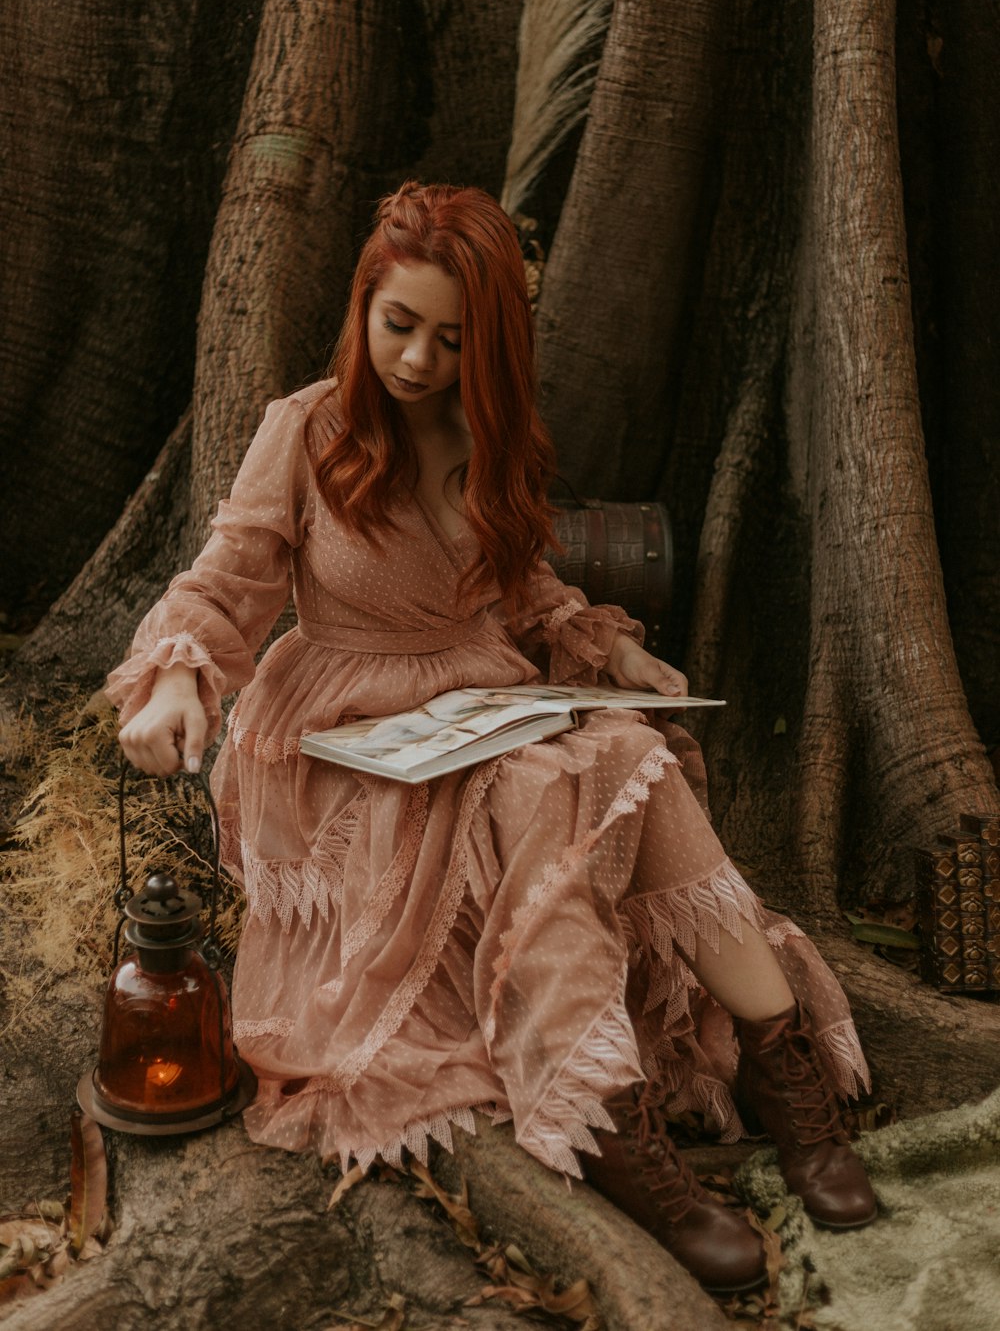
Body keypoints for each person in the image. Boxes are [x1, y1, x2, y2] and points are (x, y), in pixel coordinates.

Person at [108, 182, 876, 1294]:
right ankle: (612, 1127)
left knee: (618, 752)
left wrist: (607, 652)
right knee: (558, 790)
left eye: (449, 339)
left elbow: (520, 590)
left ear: (492, 345)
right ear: (363, 308)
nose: (416, 360)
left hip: (482, 707)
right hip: (349, 744)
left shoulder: (493, 435)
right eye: (397, 325)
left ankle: (785, 1080)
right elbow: (226, 583)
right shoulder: (308, 427)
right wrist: (178, 681)